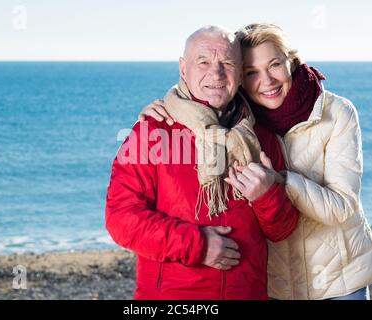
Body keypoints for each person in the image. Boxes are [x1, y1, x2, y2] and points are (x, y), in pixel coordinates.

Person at [139, 23, 372, 300]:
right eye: (251, 72)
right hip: (277, 283)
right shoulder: (240, 121)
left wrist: (280, 179)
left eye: (274, 65)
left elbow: (341, 207)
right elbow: (201, 90)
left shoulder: (336, 112)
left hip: (339, 278)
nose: (267, 81)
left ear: (292, 62)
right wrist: (168, 106)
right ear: (240, 77)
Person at [106, 25, 299, 300]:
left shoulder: (262, 138)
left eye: (227, 63)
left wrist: (266, 196)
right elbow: (121, 218)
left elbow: (283, 230)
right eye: (203, 62)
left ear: (240, 71)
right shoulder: (151, 131)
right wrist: (198, 245)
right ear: (183, 69)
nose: (216, 73)